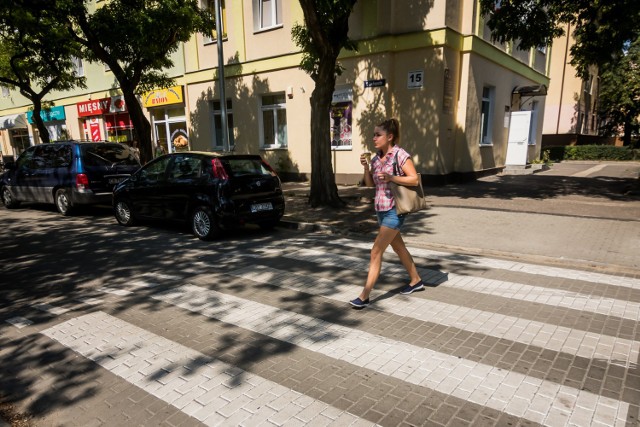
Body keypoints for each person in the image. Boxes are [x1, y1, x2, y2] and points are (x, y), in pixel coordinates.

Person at [350, 118, 424, 308]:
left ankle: (364, 296)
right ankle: (416, 280)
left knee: (376, 251)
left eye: (378, 134)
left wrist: (392, 177)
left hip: (395, 210)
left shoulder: (400, 155)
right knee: (398, 248)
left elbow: (414, 179)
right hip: (380, 210)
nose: (374, 138)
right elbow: (370, 185)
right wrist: (366, 168)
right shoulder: (375, 159)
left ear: (389, 137)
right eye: (373, 134)